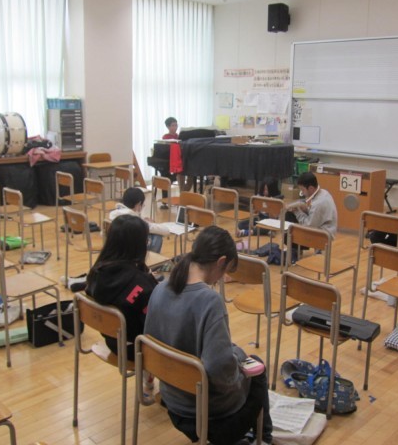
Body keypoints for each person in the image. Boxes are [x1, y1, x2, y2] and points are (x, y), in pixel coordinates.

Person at [144, 226, 273, 445]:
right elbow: (220, 372)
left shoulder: (160, 288)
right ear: (221, 262)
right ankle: (264, 438)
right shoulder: (210, 301)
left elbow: (150, 344)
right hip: (207, 414)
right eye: (225, 271)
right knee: (257, 368)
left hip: (172, 400)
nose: (222, 278)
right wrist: (238, 359)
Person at [86, 214, 159, 361]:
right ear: (139, 245)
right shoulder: (141, 284)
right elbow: (155, 322)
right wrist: (151, 282)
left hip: (113, 340)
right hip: (139, 349)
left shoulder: (96, 272)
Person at [109, 187, 169, 253]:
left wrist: (143, 220)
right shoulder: (134, 220)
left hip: (116, 249)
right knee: (157, 237)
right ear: (138, 204)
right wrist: (149, 223)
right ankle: (152, 259)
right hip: (130, 251)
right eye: (142, 204)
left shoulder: (113, 214)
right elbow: (165, 231)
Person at [287, 171, 337, 239]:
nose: (302, 193)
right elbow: (317, 217)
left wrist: (297, 212)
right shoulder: (324, 192)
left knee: (290, 220)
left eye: (303, 190)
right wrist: (306, 210)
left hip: (323, 235)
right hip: (326, 229)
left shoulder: (318, 203)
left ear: (311, 188)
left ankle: (291, 245)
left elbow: (309, 226)